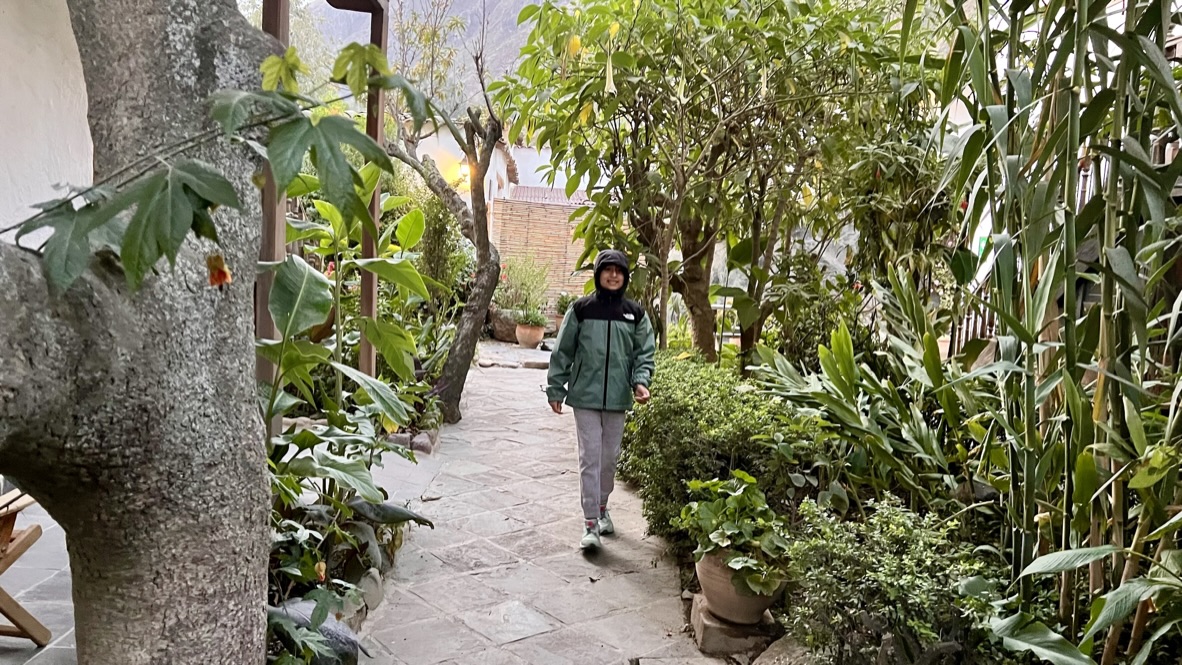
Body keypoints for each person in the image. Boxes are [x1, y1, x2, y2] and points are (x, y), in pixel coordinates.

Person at [546, 249, 656, 550]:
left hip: (618, 398)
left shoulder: (636, 314)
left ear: (625, 277)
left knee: (609, 460)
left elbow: (643, 354)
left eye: (618, 271)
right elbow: (563, 350)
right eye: (607, 270)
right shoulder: (581, 310)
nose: (613, 275)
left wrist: (641, 382)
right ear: (598, 274)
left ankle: (603, 506)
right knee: (589, 459)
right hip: (585, 396)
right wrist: (556, 387)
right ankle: (590, 524)